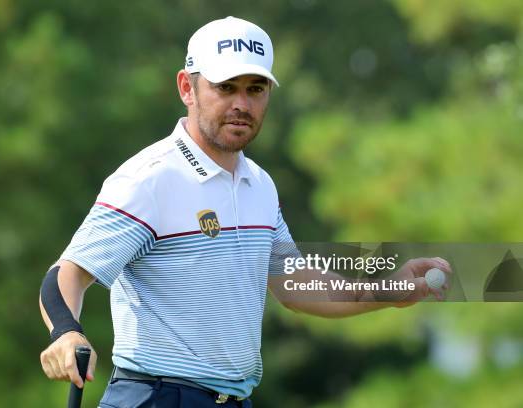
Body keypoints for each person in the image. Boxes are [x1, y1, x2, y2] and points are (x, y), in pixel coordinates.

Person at [39, 16, 450, 407]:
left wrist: (388, 290)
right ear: (187, 87)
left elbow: (292, 283)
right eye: (226, 87)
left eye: (255, 89)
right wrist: (65, 331)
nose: (242, 104)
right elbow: (68, 273)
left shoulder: (260, 185)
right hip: (156, 397)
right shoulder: (149, 179)